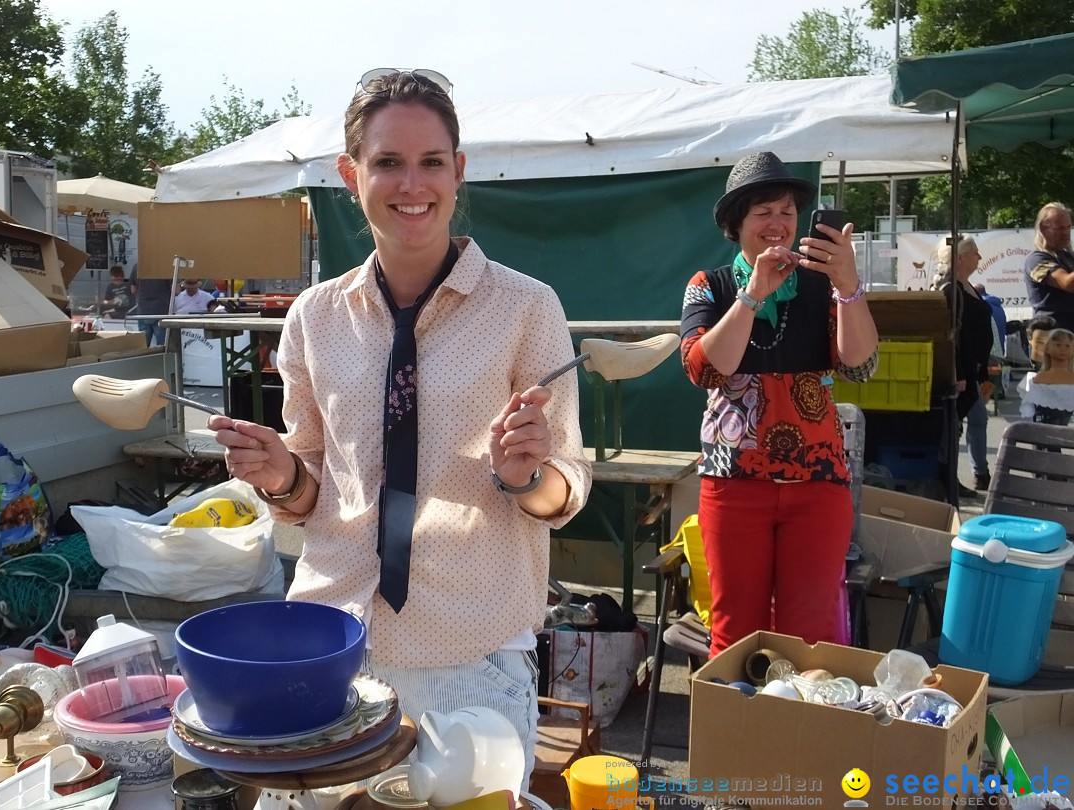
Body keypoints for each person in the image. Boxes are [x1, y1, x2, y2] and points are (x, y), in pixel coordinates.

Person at [208, 69, 591, 787]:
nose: (411, 183)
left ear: (459, 171)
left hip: (469, 649)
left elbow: (567, 488)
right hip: (330, 645)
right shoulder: (314, 319)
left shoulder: (526, 309)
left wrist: (528, 475)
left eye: (431, 162)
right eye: (387, 162)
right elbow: (312, 492)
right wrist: (283, 476)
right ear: (351, 174)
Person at [679, 152, 878, 656]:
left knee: (809, 635)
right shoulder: (710, 286)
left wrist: (849, 286)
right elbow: (704, 368)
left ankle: (799, 731)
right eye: (763, 212)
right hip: (734, 483)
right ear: (737, 224)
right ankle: (741, 730)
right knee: (735, 630)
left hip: (817, 482)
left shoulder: (824, 285)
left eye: (787, 212)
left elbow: (859, 366)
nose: (778, 224)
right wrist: (751, 295)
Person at [931, 235, 994, 494]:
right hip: (960, 368)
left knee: (976, 418)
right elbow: (950, 333)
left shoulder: (966, 286)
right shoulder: (950, 287)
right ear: (960, 257)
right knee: (954, 424)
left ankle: (980, 473)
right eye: (975, 253)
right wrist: (955, 369)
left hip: (972, 367)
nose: (979, 258)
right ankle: (950, 478)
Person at [1024, 202, 1074, 331]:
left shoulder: (1067, 257)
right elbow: (1068, 284)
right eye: (1060, 228)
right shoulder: (1036, 260)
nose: (1066, 233)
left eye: (1068, 227)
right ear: (1043, 229)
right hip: (1051, 338)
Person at [1019, 328, 1074, 426]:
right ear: (1047, 348)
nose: (1062, 349)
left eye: (1067, 346)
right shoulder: (1040, 378)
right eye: (1058, 345)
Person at [129, 263, 173, 346]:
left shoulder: (137, 266)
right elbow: (176, 290)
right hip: (161, 311)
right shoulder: (165, 266)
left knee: (143, 345)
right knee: (163, 346)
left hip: (143, 311)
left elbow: (133, 290)